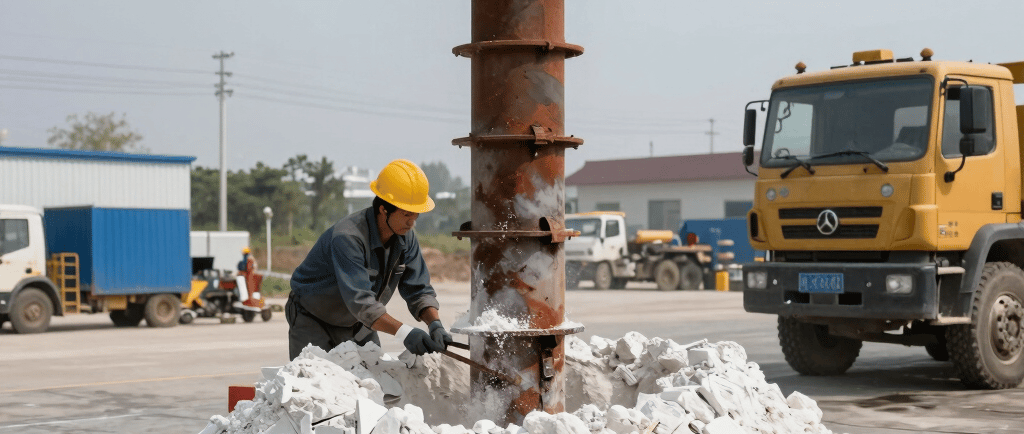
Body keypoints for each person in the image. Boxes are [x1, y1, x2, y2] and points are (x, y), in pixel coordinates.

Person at [285, 159, 453, 360]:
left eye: (416, 214)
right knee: (315, 378)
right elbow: (362, 303)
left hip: (359, 323)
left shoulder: (405, 236)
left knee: (375, 377)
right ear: (384, 209)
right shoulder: (348, 237)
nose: (412, 222)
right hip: (314, 319)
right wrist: (405, 333)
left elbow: (419, 290)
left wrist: (435, 323)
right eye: (406, 214)